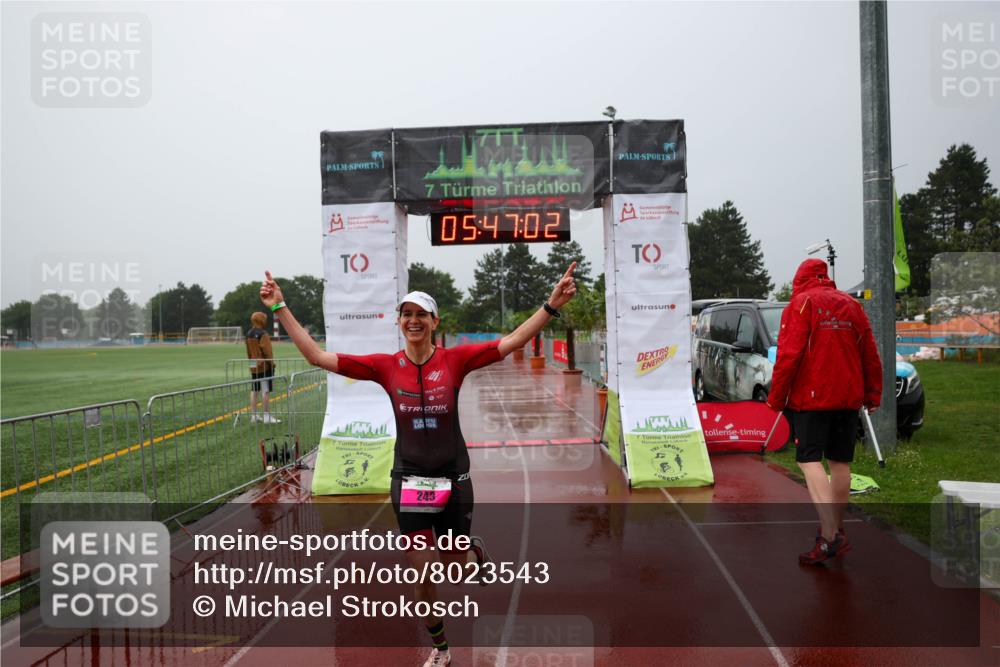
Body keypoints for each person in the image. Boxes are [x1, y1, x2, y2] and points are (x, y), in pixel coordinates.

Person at [260, 263, 577, 666]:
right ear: (399, 322)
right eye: (406, 314)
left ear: (433, 321)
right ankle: (441, 648)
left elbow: (513, 341)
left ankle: (472, 554)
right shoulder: (384, 366)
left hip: (454, 477)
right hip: (409, 478)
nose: (413, 321)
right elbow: (316, 355)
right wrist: (279, 306)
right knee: (421, 572)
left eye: (420, 315)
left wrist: (551, 305)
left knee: (455, 573)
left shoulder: (456, 360)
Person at [766, 258, 882, 565]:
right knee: (840, 462)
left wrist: (776, 398)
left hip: (812, 397)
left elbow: (789, 355)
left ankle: (830, 537)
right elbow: (869, 352)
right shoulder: (851, 305)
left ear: (799, 279)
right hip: (848, 397)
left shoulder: (801, 304)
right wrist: (872, 393)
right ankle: (837, 529)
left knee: (809, 460)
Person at [245, 311, 280, 424]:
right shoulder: (263, 334)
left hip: (253, 364)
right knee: (265, 390)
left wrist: (252, 361)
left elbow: (249, 352)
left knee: (254, 390)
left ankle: (254, 416)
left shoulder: (249, 333)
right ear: (261, 320)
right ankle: (266, 416)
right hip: (264, 365)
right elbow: (267, 351)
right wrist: (271, 363)